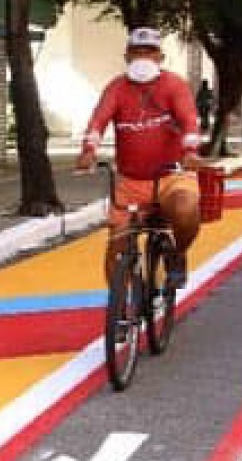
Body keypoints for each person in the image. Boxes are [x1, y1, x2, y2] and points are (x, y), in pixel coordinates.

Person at [73, 27, 203, 289]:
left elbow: (189, 120)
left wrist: (191, 151)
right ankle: (121, 306)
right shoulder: (117, 88)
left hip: (172, 177)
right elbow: (98, 120)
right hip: (131, 182)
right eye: (137, 51)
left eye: (149, 52)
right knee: (116, 249)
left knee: (186, 210)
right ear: (126, 56)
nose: (143, 57)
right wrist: (89, 149)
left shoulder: (174, 85)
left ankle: (177, 255)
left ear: (160, 57)